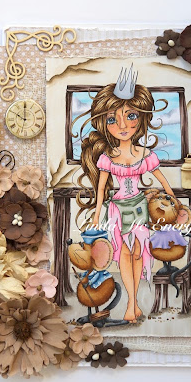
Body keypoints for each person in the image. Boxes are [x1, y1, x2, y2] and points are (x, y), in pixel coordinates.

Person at [73, 68, 174, 323]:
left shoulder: (144, 154)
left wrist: (174, 202)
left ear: (141, 119)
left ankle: (133, 303)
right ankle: (132, 305)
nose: (122, 125)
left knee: (139, 253)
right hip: (118, 211)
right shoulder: (107, 157)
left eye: (131, 116)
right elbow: (101, 189)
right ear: (103, 124)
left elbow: (163, 180)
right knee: (124, 254)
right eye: (112, 119)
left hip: (140, 207)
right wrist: (97, 214)